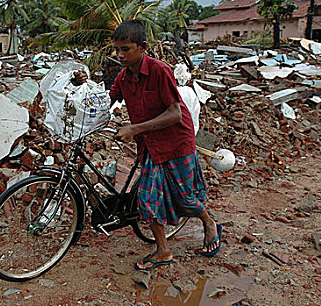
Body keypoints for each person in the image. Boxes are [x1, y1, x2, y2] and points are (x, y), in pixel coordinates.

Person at [75, 19, 221, 271]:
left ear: (142, 47)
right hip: (150, 146)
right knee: (147, 199)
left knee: (185, 197)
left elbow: (175, 113)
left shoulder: (159, 70)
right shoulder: (123, 77)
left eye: (125, 49)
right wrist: (81, 85)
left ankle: (208, 221)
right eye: (116, 49)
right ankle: (163, 251)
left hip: (176, 142)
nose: (118, 55)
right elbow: (105, 100)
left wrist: (134, 128)